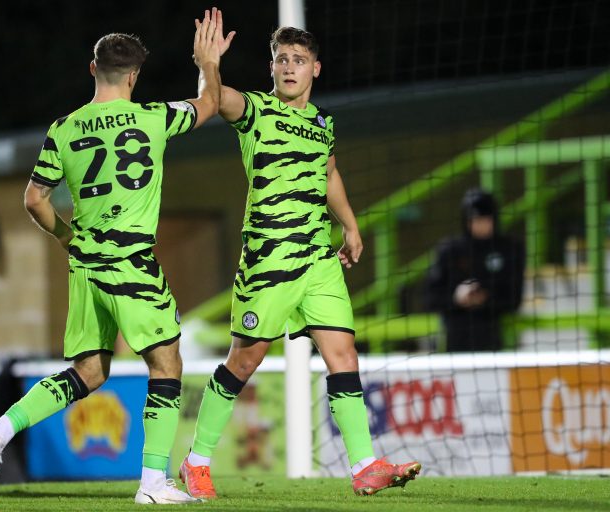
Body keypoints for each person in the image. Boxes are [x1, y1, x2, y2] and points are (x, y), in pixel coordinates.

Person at [0, 9, 224, 505]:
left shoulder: (63, 129)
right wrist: (206, 61)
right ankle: (152, 485)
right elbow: (210, 103)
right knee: (167, 364)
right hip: (132, 265)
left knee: (88, 373)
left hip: (85, 265)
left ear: (92, 69)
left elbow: (34, 199)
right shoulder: (154, 117)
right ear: (134, 76)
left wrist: (66, 237)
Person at [178, 17, 420, 499]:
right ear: (272, 67)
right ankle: (197, 460)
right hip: (268, 261)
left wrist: (349, 225)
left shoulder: (324, 124)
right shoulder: (254, 110)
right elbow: (213, 98)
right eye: (283, 60)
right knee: (244, 361)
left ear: (316, 69)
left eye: (300, 61)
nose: (290, 68)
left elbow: (329, 173)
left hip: (318, 259)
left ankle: (365, 464)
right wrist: (208, 64)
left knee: (343, 354)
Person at [425, 188, 525, 351]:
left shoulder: (510, 249)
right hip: (456, 340)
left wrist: (484, 298)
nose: (481, 225)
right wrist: (457, 297)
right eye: (476, 220)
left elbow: (514, 298)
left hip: (492, 340)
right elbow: (430, 298)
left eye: (486, 219)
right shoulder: (450, 250)